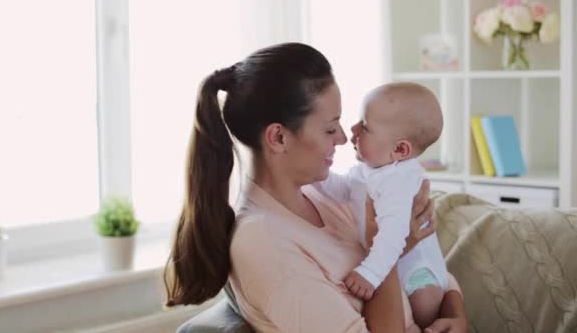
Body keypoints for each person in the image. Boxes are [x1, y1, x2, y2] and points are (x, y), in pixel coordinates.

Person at [164, 42, 468, 332]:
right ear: (279, 138)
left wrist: (455, 313)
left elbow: (429, 267)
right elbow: (393, 259)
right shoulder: (264, 244)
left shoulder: (325, 194)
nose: (343, 139)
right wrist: (390, 253)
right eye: (329, 128)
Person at [316, 82, 450, 329]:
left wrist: (370, 273)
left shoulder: (399, 181)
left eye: (365, 127)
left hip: (419, 275)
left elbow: (393, 234)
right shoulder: (372, 170)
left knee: (423, 312)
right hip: (396, 266)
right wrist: (315, 177)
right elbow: (343, 190)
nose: (352, 130)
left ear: (400, 149)